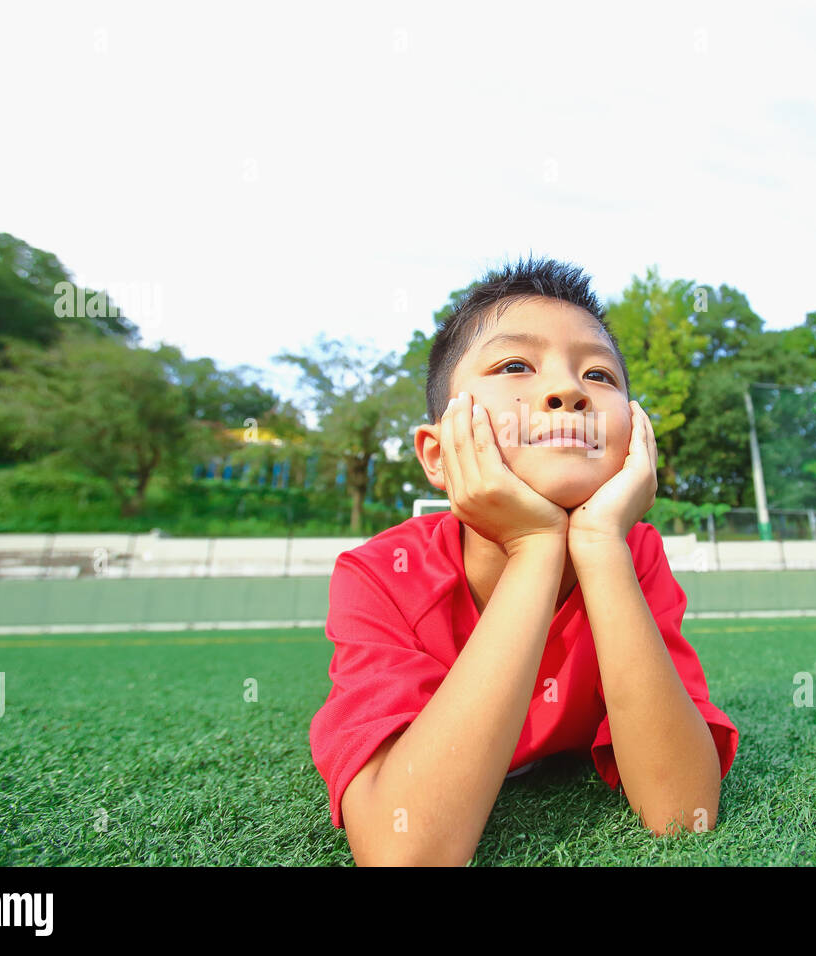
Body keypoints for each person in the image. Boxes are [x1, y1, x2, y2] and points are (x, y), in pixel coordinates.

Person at [309, 256, 738, 866]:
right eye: (515, 365)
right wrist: (534, 547)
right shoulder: (382, 573)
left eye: (600, 374)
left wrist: (597, 547)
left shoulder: (631, 552)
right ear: (437, 452)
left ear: (635, 439)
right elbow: (407, 851)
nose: (567, 390)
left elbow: (680, 812)